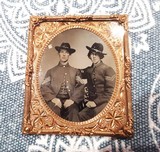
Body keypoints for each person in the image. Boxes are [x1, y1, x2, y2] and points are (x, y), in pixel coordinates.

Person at [40, 42, 84, 122]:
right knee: (53, 113)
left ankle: (73, 134)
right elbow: (44, 86)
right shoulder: (51, 71)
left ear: (69, 55)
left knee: (73, 112)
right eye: (62, 52)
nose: (64, 54)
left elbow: (80, 87)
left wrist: (72, 100)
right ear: (59, 53)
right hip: (55, 100)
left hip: (70, 100)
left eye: (66, 52)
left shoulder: (75, 71)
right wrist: (53, 99)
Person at [78, 42, 116, 121]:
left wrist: (95, 102)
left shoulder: (108, 70)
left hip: (104, 103)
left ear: (100, 56)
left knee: (86, 115)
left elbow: (111, 92)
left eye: (96, 54)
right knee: (78, 114)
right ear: (89, 55)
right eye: (92, 53)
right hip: (90, 103)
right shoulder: (88, 70)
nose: (94, 56)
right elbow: (77, 72)